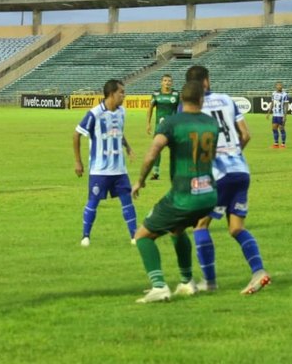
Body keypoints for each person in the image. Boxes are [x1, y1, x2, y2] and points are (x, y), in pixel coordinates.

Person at [131, 80, 219, 303]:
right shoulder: (211, 123)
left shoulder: (172, 123)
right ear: (201, 99)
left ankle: (159, 286)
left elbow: (153, 152)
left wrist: (140, 180)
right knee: (177, 230)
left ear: (181, 99)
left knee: (142, 236)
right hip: (209, 195)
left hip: (183, 196)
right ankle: (187, 282)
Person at [186, 65, 271, 295]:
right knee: (235, 228)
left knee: (200, 224)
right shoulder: (227, 99)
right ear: (207, 80)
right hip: (241, 171)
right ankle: (258, 271)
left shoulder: (192, 107)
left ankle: (210, 282)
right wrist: (233, 153)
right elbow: (246, 134)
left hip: (216, 174)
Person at [73, 79, 138, 247]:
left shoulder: (122, 112)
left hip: (119, 169)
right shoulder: (94, 114)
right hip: (99, 170)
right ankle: (85, 236)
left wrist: (128, 148)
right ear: (111, 94)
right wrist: (78, 162)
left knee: (127, 201)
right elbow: (76, 134)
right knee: (93, 202)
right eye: (121, 92)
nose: (124, 95)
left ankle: (134, 236)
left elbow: (118, 133)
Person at [145, 74, 179, 180]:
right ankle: (156, 172)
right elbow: (150, 109)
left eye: (169, 81)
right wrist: (148, 123)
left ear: (171, 82)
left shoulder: (176, 94)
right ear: (161, 82)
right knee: (157, 149)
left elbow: (181, 109)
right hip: (159, 127)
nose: (167, 82)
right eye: (165, 80)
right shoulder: (156, 94)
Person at [270, 81, 290, 148]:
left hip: (281, 115)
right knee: (274, 128)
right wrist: (268, 112)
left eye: (280, 85)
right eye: (278, 85)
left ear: (282, 86)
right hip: (275, 115)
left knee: (281, 128)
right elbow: (272, 103)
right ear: (276, 86)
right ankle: (276, 144)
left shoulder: (285, 95)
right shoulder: (273, 94)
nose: (279, 86)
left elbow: (286, 105)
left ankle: (283, 144)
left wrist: (285, 116)